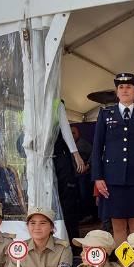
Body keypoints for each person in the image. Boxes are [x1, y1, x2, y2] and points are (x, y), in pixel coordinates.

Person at [92, 73, 134, 245]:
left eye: (128, 87)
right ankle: (124, 265)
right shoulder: (106, 114)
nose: (124, 90)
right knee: (118, 225)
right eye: (121, 87)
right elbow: (97, 147)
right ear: (116, 91)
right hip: (112, 179)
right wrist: (98, 178)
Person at [54, 101, 87, 249]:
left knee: (67, 202)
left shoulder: (55, 102)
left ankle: (71, 245)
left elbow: (66, 130)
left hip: (60, 158)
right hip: (45, 160)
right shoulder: (31, 101)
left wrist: (76, 155)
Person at [72, 126, 97, 222]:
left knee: (84, 197)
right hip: (74, 175)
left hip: (84, 175)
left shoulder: (83, 144)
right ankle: (84, 216)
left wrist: (87, 165)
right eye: (71, 133)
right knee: (77, 197)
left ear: (78, 134)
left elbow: (94, 153)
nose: (72, 135)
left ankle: (88, 215)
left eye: (74, 133)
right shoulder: (70, 145)